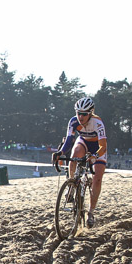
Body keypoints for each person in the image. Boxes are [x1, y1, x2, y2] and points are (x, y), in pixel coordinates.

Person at [51, 97, 108, 227]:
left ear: (90, 113)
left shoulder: (97, 123)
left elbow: (103, 146)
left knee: (97, 178)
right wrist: (60, 153)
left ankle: (91, 212)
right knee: (75, 154)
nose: (80, 117)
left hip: (98, 147)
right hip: (83, 142)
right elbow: (69, 140)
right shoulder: (73, 121)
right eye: (78, 113)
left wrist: (95, 156)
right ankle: (72, 185)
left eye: (84, 114)